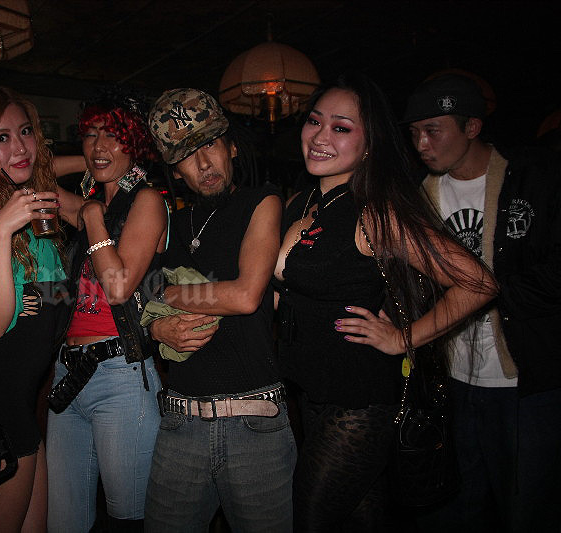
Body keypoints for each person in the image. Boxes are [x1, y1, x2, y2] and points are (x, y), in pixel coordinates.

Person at [274, 73, 497, 532]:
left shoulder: (375, 213)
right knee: (363, 519)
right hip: (309, 394)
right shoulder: (302, 203)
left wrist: (403, 339)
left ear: (369, 144)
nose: (320, 136)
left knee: (308, 520)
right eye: (315, 121)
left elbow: (478, 283)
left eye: (341, 127)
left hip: (358, 404)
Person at [404, 74, 561, 532]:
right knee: (455, 507)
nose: (421, 144)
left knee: (528, 509)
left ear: (472, 127)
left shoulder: (536, 178)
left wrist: (481, 292)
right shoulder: (419, 195)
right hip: (453, 380)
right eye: (414, 133)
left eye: (433, 130)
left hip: (527, 381)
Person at [143, 88, 294, 532]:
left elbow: (246, 296)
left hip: (255, 421)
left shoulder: (261, 201)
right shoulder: (171, 223)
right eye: (187, 155)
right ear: (175, 170)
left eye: (210, 144)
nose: (204, 163)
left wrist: (167, 294)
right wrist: (155, 331)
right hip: (179, 421)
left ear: (231, 146)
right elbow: (132, 291)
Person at [0, 85, 84, 532]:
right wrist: (0, 232)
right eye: (2, 137)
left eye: (25, 132)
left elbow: (60, 295)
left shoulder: (33, 204)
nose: (20, 147)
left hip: (22, 406)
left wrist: (95, 159)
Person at [44, 89, 167, 532]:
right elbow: (30, 171)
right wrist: (91, 163)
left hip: (121, 374)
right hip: (67, 372)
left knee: (128, 518)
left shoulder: (147, 201)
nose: (99, 145)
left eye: (113, 136)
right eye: (91, 135)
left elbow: (117, 287)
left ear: (134, 143)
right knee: (64, 520)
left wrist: (93, 217)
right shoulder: (93, 202)